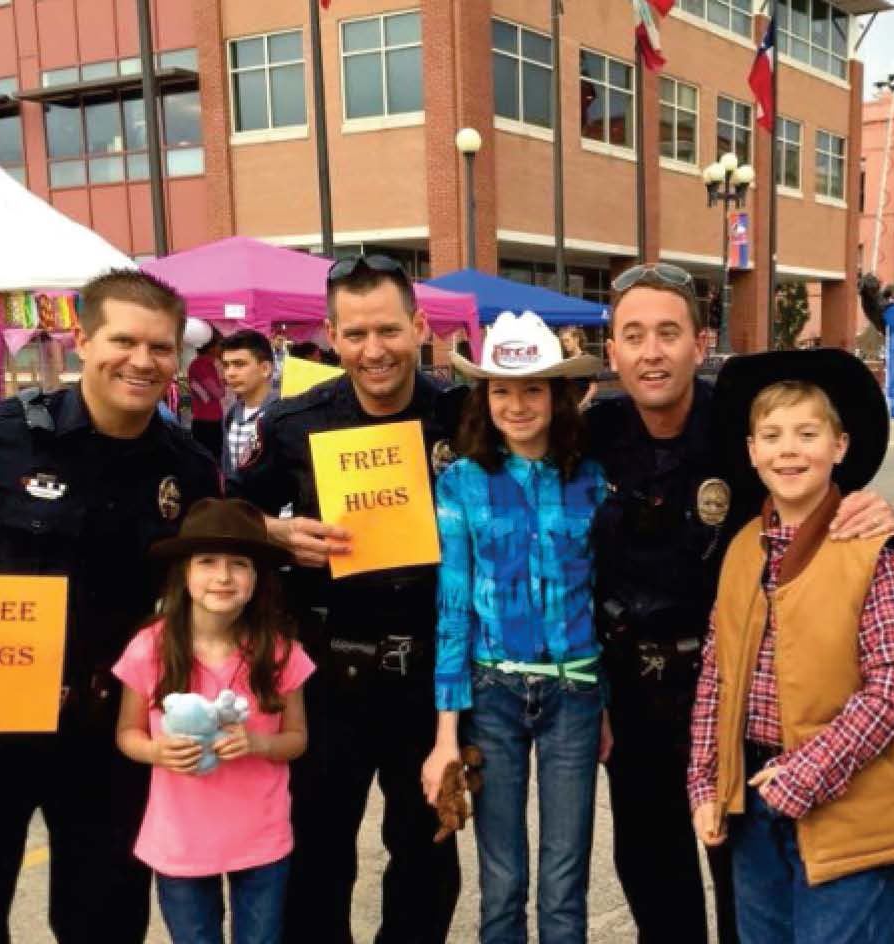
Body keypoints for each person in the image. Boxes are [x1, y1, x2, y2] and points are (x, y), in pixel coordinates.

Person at [0, 270, 221, 944]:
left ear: (177, 356)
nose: (142, 361)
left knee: (105, 925)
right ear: (81, 339)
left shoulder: (189, 468)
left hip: (106, 736)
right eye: (123, 340)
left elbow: (214, 577)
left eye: (161, 348)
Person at [586, 263, 894, 944]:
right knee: (652, 879)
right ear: (611, 351)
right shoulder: (591, 432)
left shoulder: (738, 426)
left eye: (668, 333)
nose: (651, 351)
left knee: (744, 891)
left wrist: (867, 501)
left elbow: (808, 474)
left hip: (725, 697)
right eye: (632, 336)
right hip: (629, 694)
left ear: (701, 342)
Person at [229, 254, 463, 944]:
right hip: (330, 673)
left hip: (429, 674)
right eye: (355, 334)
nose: (373, 350)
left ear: (420, 326)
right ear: (331, 335)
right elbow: (225, 514)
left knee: (428, 848)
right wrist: (277, 531)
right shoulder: (297, 421)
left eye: (388, 330)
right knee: (318, 853)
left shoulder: (462, 412)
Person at [687, 350, 894, 942]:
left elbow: (893, 684)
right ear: (751, 452)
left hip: (842, 804)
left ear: (840, 445)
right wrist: (706, 782)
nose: (789, 450)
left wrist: (805, 774)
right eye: (772, 435)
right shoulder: (744, 546)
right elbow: (716, 673)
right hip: (753, 797)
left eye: (807, 433)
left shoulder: (873, 553)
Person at [421, 312, 607, 943]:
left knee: (564, 878)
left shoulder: (592, 479)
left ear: (557, 395)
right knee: (500, 880)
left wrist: (601, 701)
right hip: (492, 693)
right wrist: (447, 735)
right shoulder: (461, 483)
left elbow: (601, 594)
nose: (517, 404)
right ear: (485, 398)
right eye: (501, 389)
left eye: (532, 388)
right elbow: (453, 610)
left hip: (575, 693)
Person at [113, 498, 314, 944]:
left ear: (256, 578)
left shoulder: (281, 652)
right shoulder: (150, 647)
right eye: (207, 562)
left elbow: (297, 738)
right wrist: (155, 750)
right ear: (185, 574)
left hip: (260, 836)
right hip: (181, 839)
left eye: (238, 564)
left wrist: (260, 744)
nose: (223, 577)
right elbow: (127, 731)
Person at [219, 329, 278, 478]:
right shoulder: (231, 414)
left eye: (239, 364)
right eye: (226, 365)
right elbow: (228, 467)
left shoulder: (283, 413)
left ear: (265, 368)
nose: (230, 373)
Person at [189, 329, 226, 459]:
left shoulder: (202, 364)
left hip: (206, 417)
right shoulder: (203, 364)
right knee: (211, 456)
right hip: (208, 419)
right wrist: (223, 384)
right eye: (219, 345)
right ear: (211, 348)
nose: (221, 349)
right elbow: (217, 393)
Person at [559, 325, 599, 410]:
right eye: (563, 341)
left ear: (576, 339)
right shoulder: (564, 361)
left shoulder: (586, 360)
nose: (565, 344)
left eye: (567, 340)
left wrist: (581, 406)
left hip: (583, 406)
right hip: (567, 407)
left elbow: (593, 387)